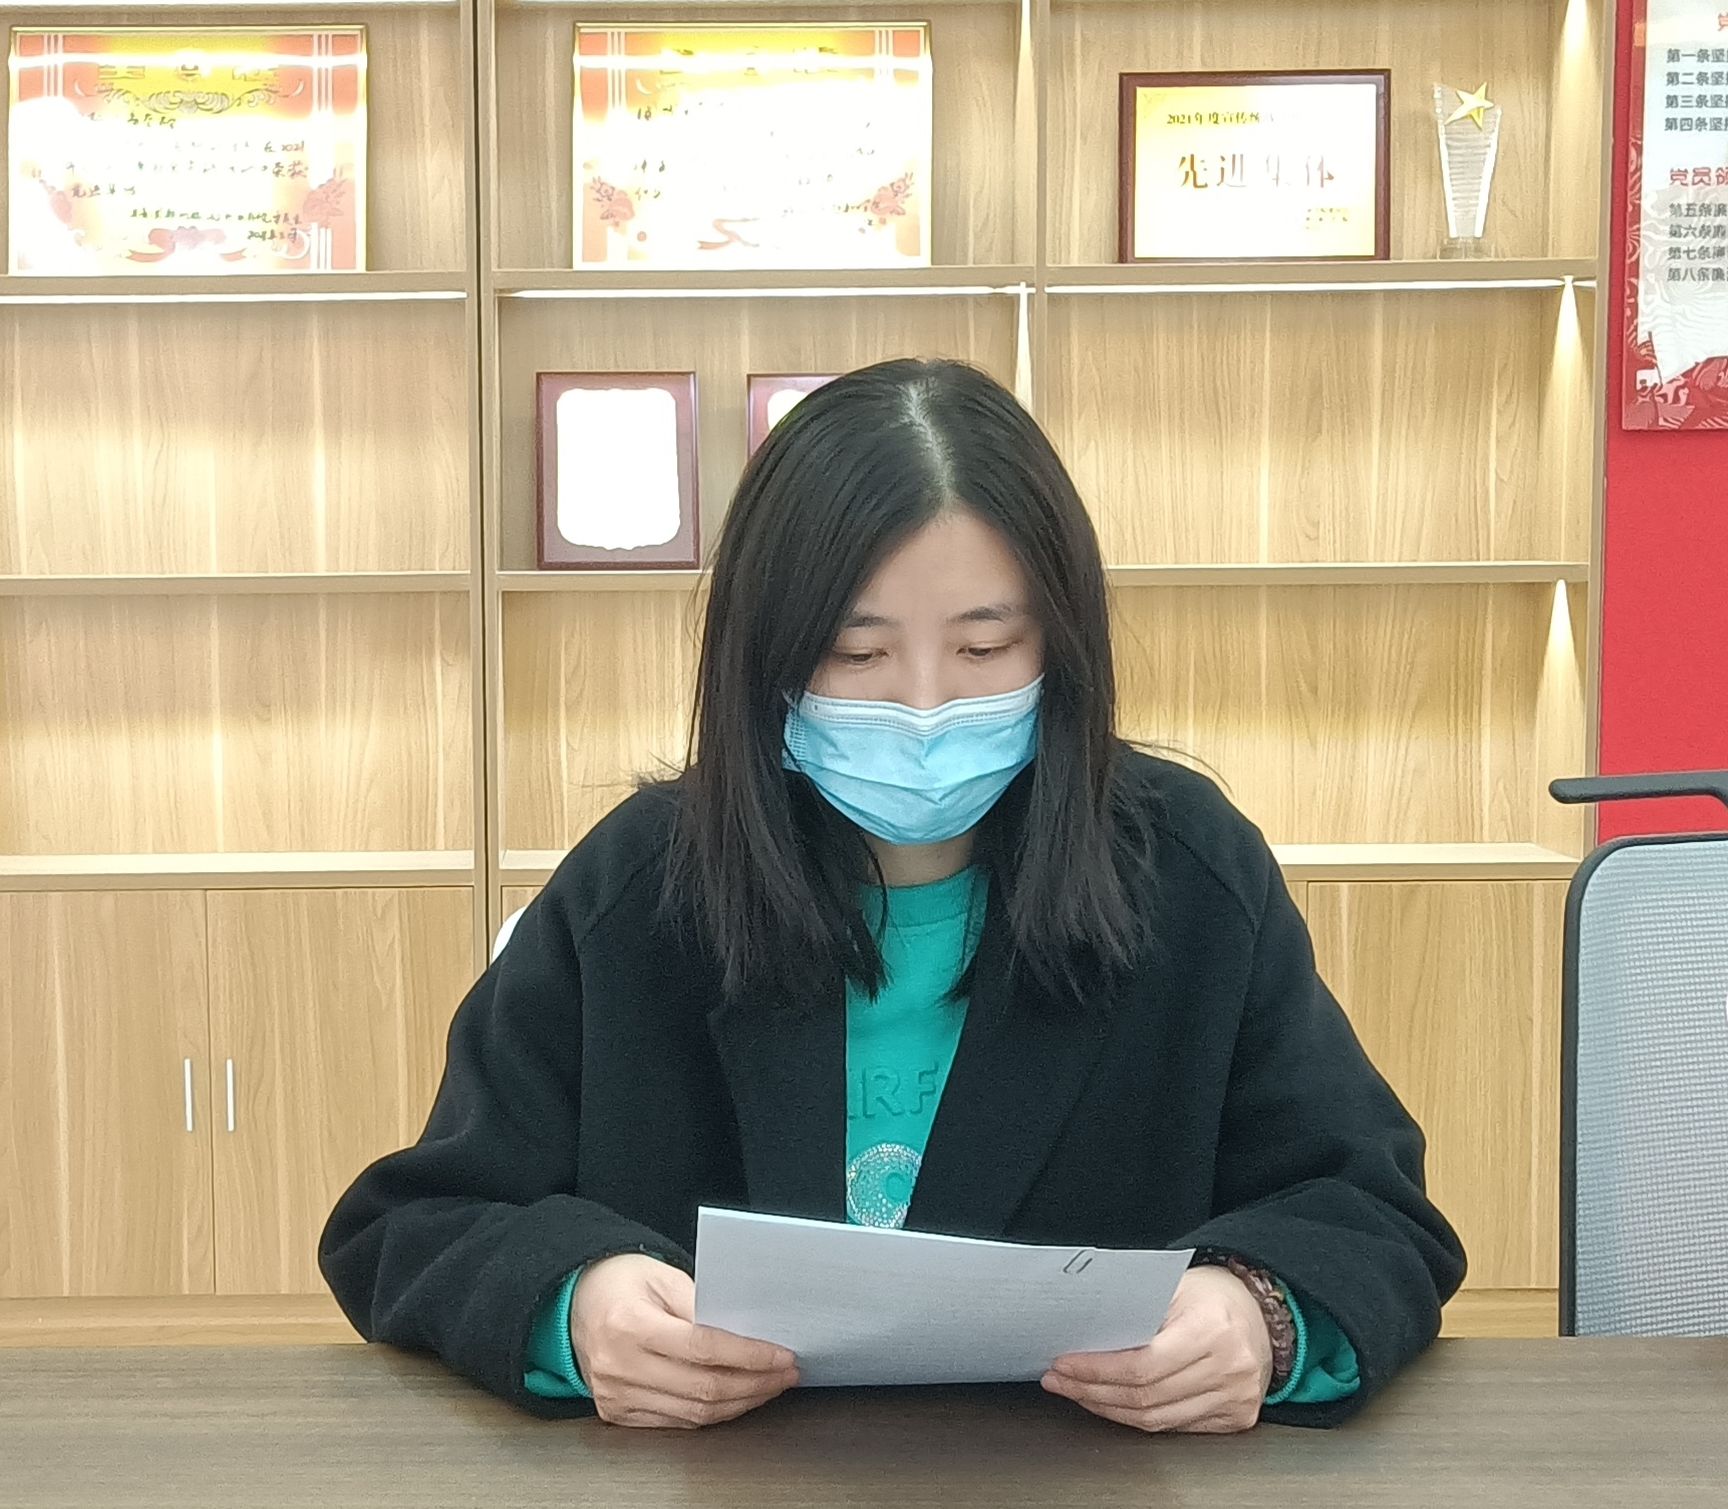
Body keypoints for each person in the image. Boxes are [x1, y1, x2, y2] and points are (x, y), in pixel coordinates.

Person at [321, 359, 1465, 1433]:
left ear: (1061, 644)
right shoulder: (641, 884)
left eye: (984, 650)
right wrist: (574, 1308)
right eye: (856, 656)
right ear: (764, 656)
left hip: (1083, 1477)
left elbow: (1373, 1212)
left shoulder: (1188, 874)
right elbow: (418, 1221)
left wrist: (1256, 1317)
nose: (923, 708)